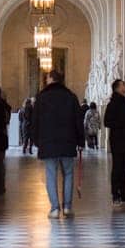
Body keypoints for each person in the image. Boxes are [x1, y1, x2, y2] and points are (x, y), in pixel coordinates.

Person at [33, 67, 84, 218]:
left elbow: (35, 121)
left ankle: (55, 208)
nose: (45, 80)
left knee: (51, 175)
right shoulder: (71, 97)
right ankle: (67, 207)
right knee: (68, 173)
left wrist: (36, 140)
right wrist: (80, 140)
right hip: (68, 141)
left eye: (47, 78)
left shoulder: (41, 97)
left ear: (51, 79)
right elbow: (78, 120)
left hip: (48, 142)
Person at [104, 78, 125, 205]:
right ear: (118, 88)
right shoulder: (113, 104)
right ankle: (115, 195)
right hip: (118, 140)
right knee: (117, 168)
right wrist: (122, 124)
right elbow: (107, 121)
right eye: (124, 84)